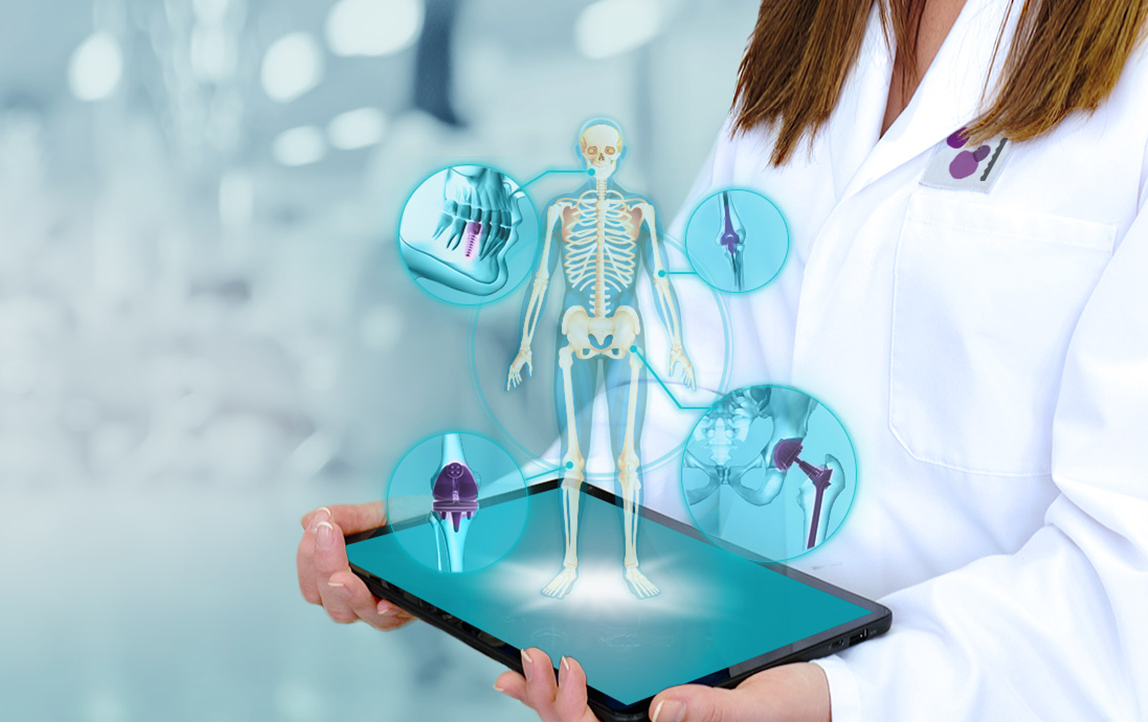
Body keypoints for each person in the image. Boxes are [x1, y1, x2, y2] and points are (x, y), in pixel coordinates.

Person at [295, 0, 1148, 719]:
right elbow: (689, 384)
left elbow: (1127, 584)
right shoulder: (818, 32)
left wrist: (834, 698)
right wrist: (495, 536)